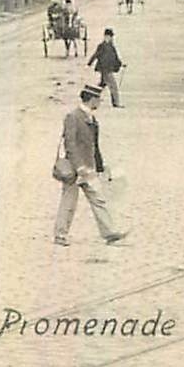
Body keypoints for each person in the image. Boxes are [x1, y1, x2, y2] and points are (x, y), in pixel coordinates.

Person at [54, 84, 127, 246]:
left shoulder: (91, 118)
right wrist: (79, 167)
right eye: (98, 99)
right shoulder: (73, 117)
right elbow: (70, 144)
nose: (99, 102)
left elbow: (94, 146)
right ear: (92, 99)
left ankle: (109, 233)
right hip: (75, 169)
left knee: (98, 200)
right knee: (69, 203)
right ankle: (60, 235)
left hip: (88, 168)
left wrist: (100, 166)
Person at [88, 27, 125, 108]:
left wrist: (121, 64)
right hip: (105, 69)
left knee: (100, 87)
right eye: (110, 36)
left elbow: (116, 58)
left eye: (111, 37)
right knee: (113, 86)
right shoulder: (102, 46)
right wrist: (89, 64)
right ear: (106, 36)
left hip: (108, 69)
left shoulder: (112, 47)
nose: (111, 38)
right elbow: (95, 55)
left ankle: (91, 101)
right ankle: (116, 103)